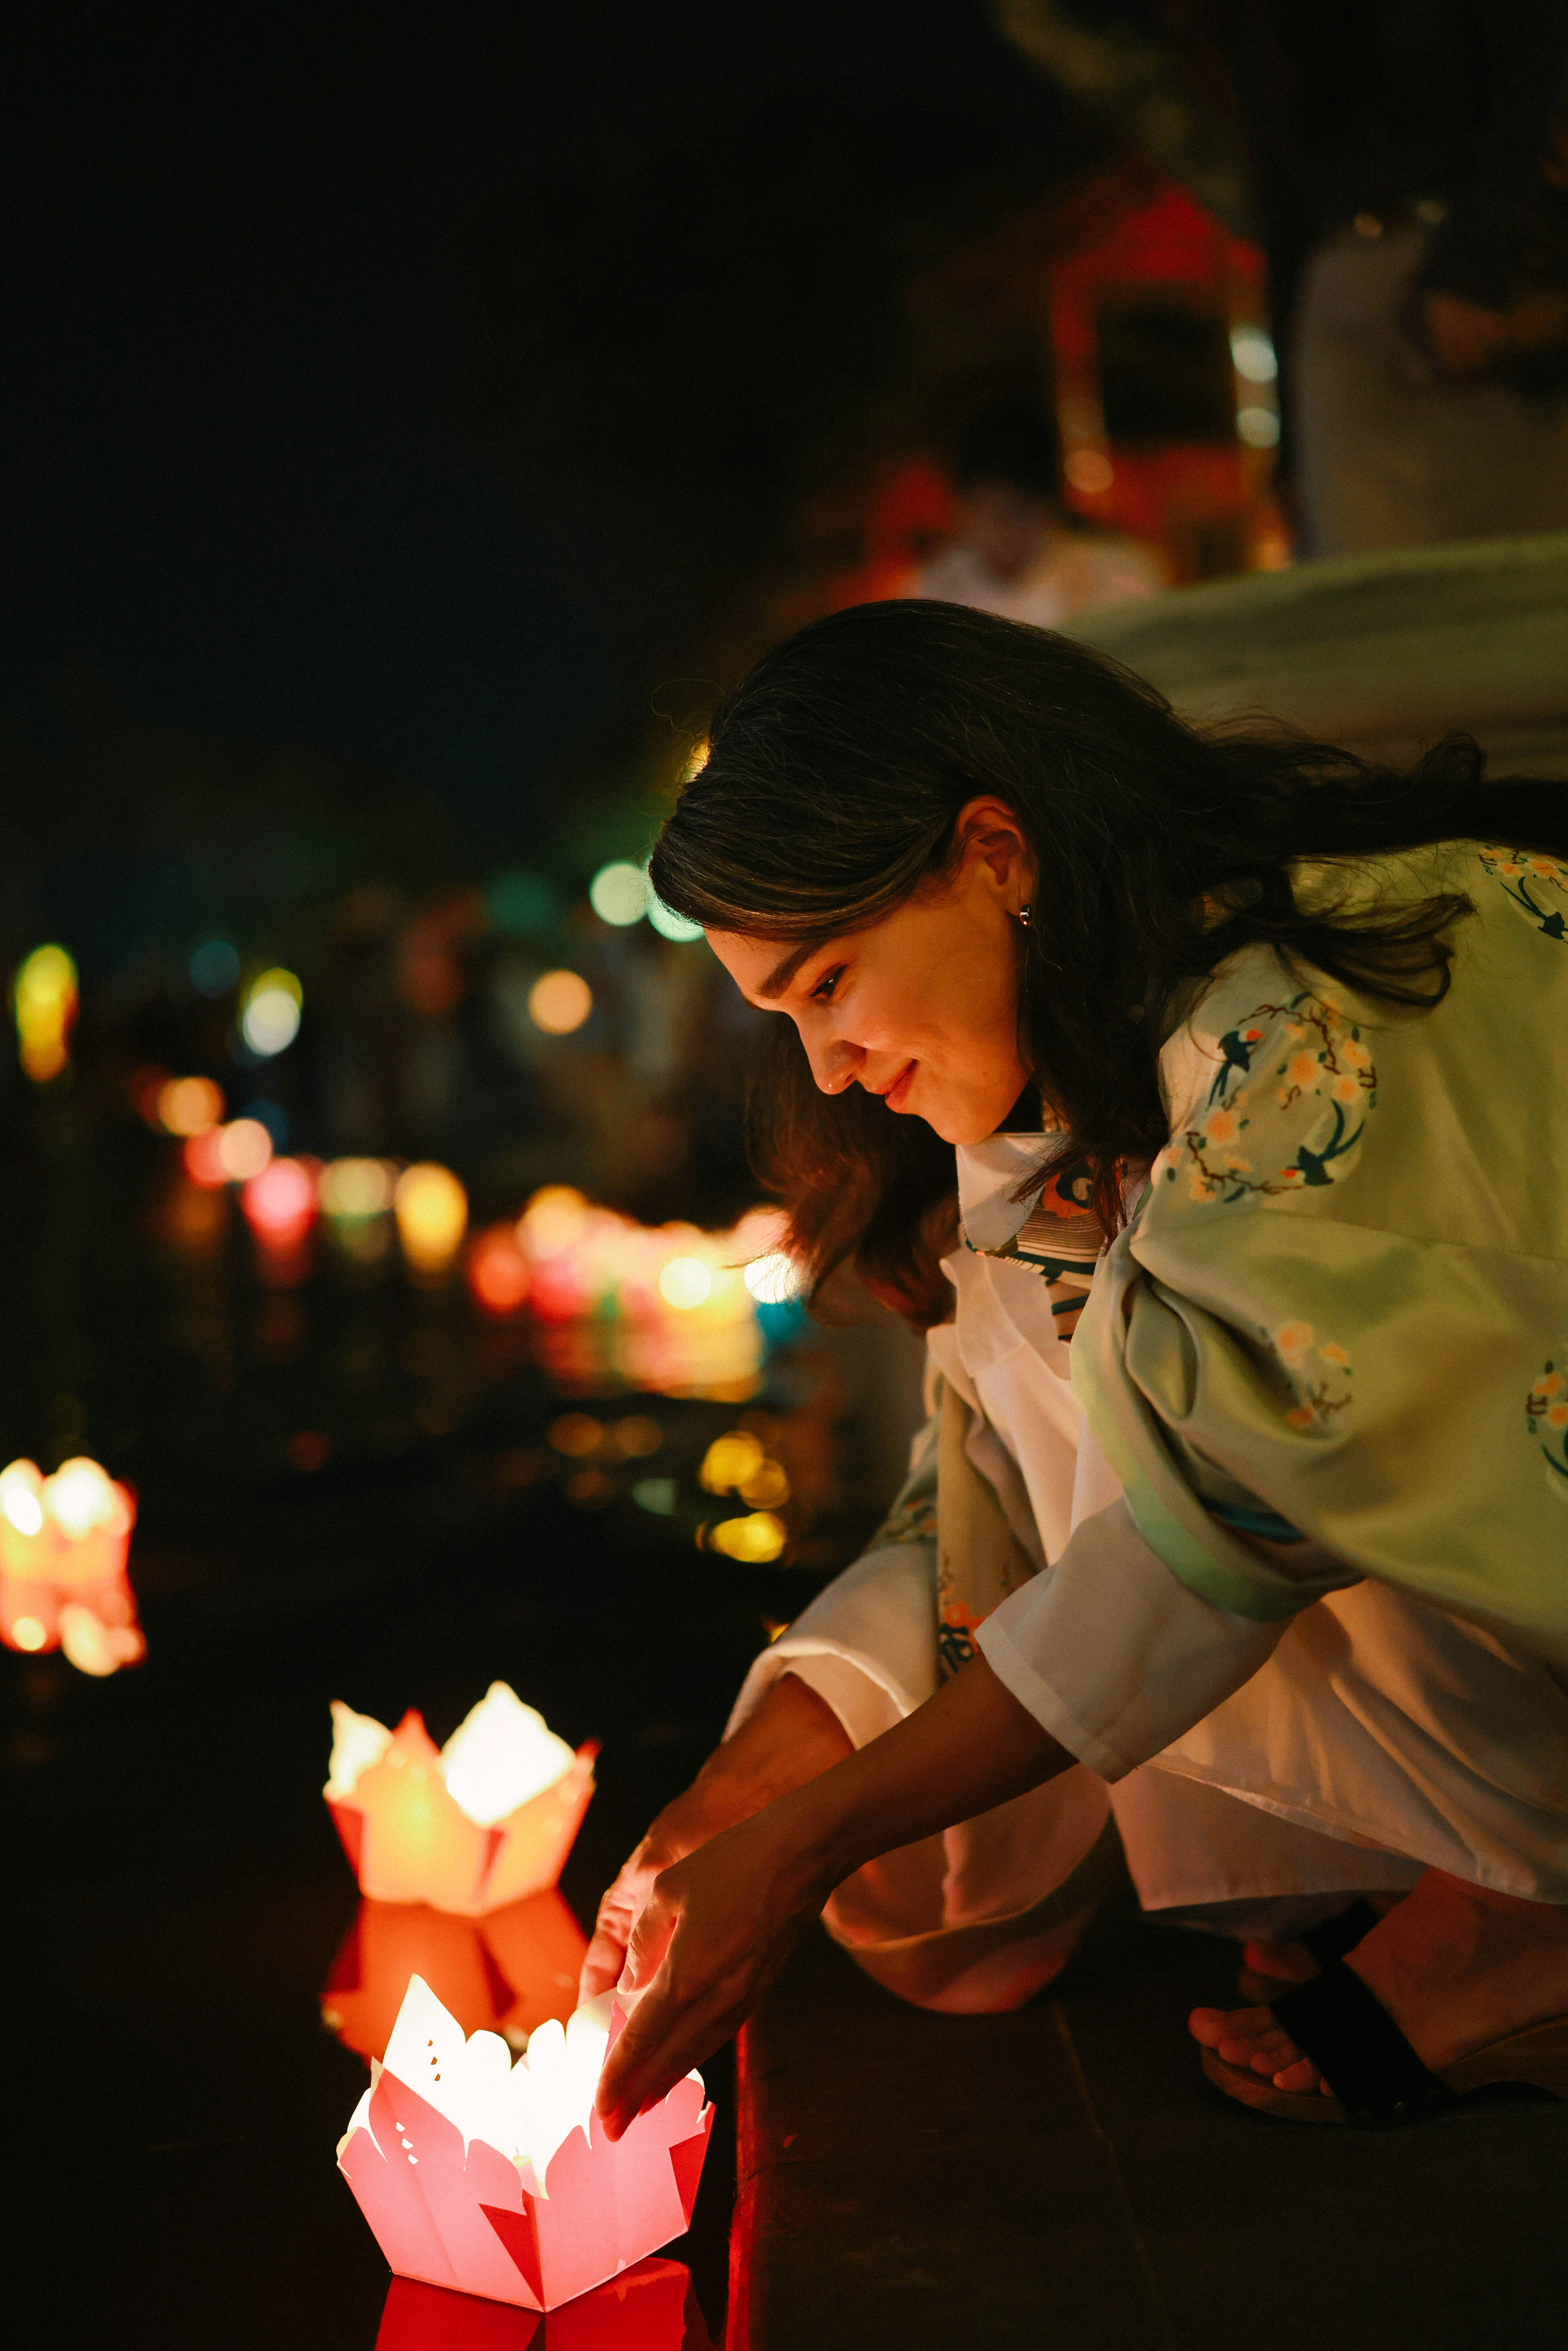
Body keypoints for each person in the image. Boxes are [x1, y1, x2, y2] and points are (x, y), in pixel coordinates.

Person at [585, 597, 1568, 2137]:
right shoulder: (1065, 1080)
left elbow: (1228, 1512)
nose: (826, 1068)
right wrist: (761, 1779)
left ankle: (1539, 1907)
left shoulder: (1300, 1016)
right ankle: (1459, 1851)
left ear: (995, 853)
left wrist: (801, 1848)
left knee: (1207, 1389)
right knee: (1059, 1331)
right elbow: (978, 1498)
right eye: (785, 1019)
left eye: (828, 983)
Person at [1201, 1, 1568, 552]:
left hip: (1481, 290)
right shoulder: (1259, 25)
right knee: (1363, 583)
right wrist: (1289, 445)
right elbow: (1278, 205)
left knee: (1512, 571)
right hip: (1337, 288)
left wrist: (1477, 266)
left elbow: (1531, 82)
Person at [914, 402, 1165, 630]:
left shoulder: (1122, 580)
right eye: (989, 510)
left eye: (1022, 511)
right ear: (962, 509)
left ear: (1051, 508)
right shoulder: (930, 599)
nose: (1006, 529)